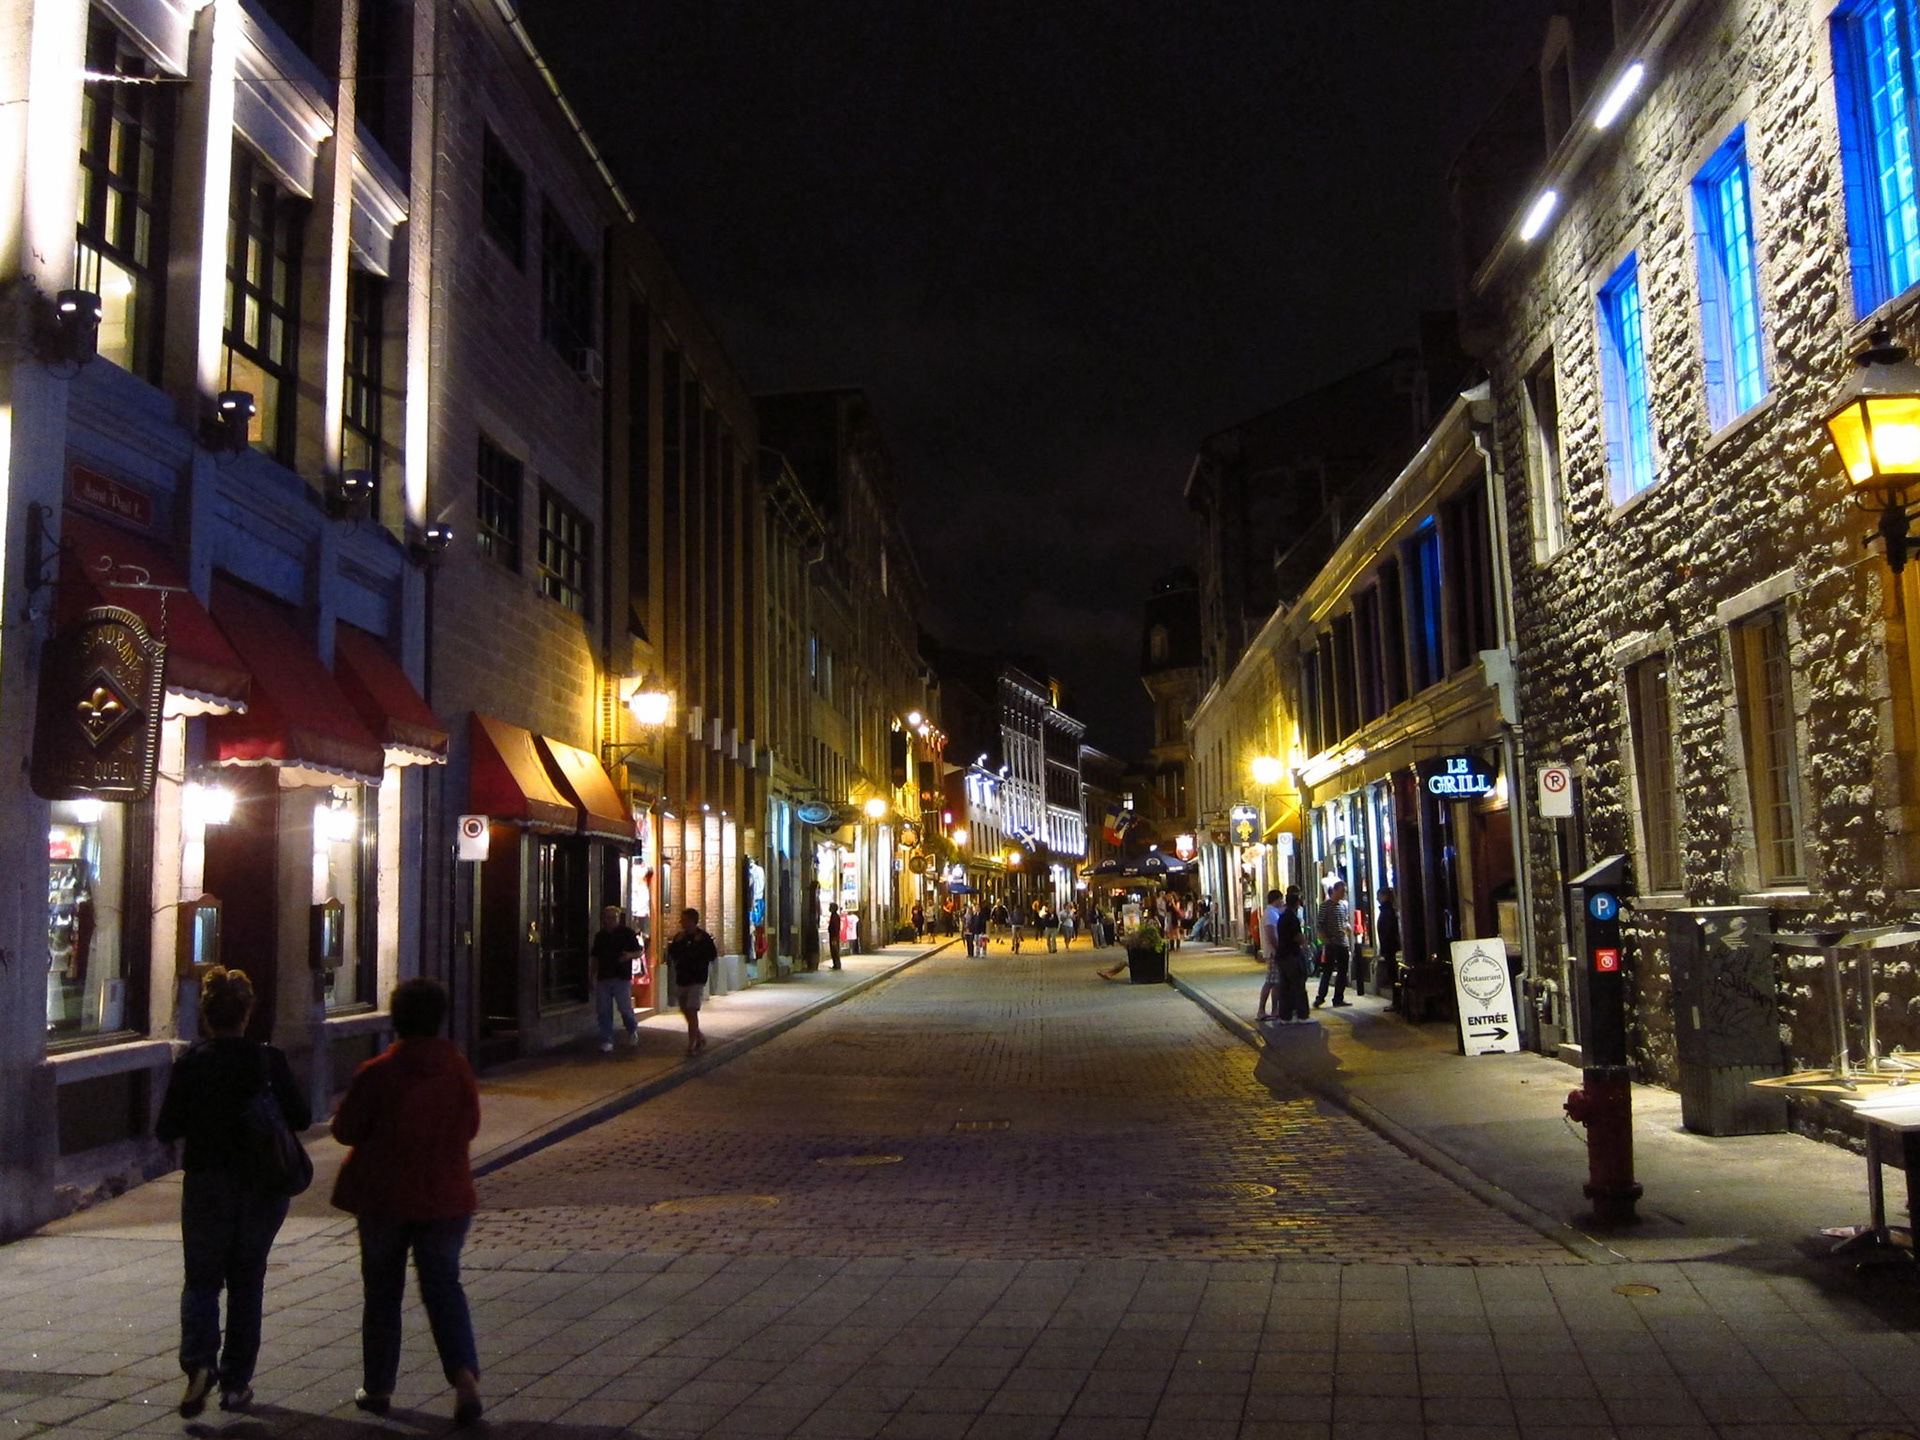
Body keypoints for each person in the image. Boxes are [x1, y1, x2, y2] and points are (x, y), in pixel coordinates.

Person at [156, 966, 310, 1418]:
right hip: (261, 1186)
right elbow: (301, 1117)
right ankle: (236, 1383)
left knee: (202, 1279)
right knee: (247, 1282)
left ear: (206, 1015)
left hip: (206, 1181)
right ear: (247, 1013)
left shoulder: (192, 1062)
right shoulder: (267, 1061)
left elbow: (167, 1127)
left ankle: (200, 1362)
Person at [331, 977, 482, 1427]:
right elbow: (470, 1125)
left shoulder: (377, 1072)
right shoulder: (456, 1068)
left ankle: (378, 1386)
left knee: (382, 1292)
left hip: (384, 1197)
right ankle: (464, 1381)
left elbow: (346, 1130)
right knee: (443, 1288)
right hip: (446, 1195)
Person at [590, 906, 643, 1053]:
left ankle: (632, 1030)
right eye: (608, 918)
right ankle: (607, 1039)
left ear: (619, 919)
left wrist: (629, 956)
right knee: (603, 1010)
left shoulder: (627, 933)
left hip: (621, 977)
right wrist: (592, 975)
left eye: (614, 917)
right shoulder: (600, 936)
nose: (611, 920)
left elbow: (639, 952)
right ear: (604, 920)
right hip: (604, 977)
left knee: (625, 1009)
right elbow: (595, 957)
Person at [668, 907, 719, 1055]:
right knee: (684, 1009)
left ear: (692, 921)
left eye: (683, 919)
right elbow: (673, 956)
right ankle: (699, 1036)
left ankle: (692, 1044)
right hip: (682, 978)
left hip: (696, 978)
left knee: (691, 1010)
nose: (681, 922)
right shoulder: (679, 937)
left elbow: (712, 956)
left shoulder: (703, 937)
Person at [1315, 879, 1354, 1008]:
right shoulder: (1325, 906)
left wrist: (1347, 928)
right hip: (1332, 943)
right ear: (1335, 890)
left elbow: (1345, 921)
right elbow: (1320, 924)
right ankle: (1320, 997)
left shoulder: (1343, 905)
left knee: (1342, 972)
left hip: (1343, 942)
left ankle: (1338, 998)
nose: (1344, 894)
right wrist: (1325, 940)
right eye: (1342, 891)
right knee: (1327, 971)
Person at [1276, 886, 1313, 1023]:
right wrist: (1304, 943)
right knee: (1298, 985)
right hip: (1292, 955)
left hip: (1282, 955)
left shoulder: (1282, 917)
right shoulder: (1293, 919)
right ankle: (1302, 1015)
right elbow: (1298, 937)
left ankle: (1285, 1016)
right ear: (1297, 904)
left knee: (1285, 987)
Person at [1255, 888, 1284, 1022]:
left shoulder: (1272, 913)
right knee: (1270, 982)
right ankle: (1261, 1010)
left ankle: (1274, 1009)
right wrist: (1278, 949)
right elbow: (1271, 933)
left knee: (1276, 982)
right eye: (1281, 899)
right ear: (1277, 899)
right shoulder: (1270, 914)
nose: (1282, 902)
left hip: (1273, 951)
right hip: (1273, 952)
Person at [1376, 887, 1402, 997]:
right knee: (1391, 972)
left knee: (1392, 973)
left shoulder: (1387, 912)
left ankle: (1397, 1000)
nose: (1377, 898)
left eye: (1379, 896)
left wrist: (1385, 947)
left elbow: (1387, 931)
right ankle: (1396, 1000)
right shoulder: (1387, 910)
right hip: (1389, 947)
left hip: (1389, 947)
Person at [826, 902, 843, 971]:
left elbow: (835, 928)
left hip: (834, 937)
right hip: (834, 936)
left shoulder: (835, 916)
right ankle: (836, 964)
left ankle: (837, 965)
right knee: (834, 950)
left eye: (830, 907)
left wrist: (834, 938)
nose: (829, 908)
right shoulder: (834, 916)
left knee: (835, 950)